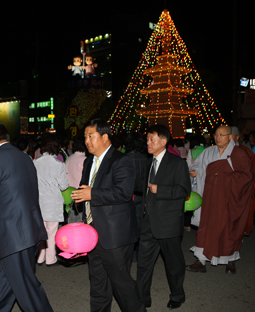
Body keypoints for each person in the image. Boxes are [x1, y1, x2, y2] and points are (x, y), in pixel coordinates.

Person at [0, 122, 53, 312]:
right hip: (31, 229)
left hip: (14, 234)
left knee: (26, 286)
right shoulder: (25, 157)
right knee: (7, 278)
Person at [71, 118, 145, 312]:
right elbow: (85, 187)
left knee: (121, 284)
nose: (87, 140)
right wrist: (79, 197)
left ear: (105, 137)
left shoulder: (121, 160)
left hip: (114, 233)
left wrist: (91, 193)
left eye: (91, 136)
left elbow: (123, 192)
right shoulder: (88, 162)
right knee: (97, 282)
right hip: (92, 232)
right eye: (85, 136)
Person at [136, 124, 190, 310]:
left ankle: (177, 295)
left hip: (168, 222)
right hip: (148, 221)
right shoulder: (148, 162)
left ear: (164, 141)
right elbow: (144, 188)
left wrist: (161, 190)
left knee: (173, 264)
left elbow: (184, 190)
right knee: (143, 264)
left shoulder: (177, 163)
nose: (148, 142)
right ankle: (143, 297)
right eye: (147, 139)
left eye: (152, 139)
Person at [186, 125, 253, 274]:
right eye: (216, 134)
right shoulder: (208, 151)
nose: (218, 137)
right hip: (210, 197)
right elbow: (199, 165)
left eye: (222, 135)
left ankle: (230, 261)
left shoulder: (239, 154)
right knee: (206, 228)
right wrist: (196, 171)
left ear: (230, 137)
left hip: (229, 200)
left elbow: (247, 176)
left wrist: (224, 176)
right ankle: (201, 260)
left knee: (229, 229)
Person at [34, 133, 69, 267]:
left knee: (41, 230)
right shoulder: (59, 164)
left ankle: (40, 257)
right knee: (52, 231)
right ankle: (50, 258)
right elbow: (64, 185)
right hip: (53, 201)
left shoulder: (35, 162)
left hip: (39, 201)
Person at [231, 127, 255, 236]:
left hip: (242, 188)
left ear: (236, 137)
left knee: (241, 213)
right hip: (226, 189)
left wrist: (246, 179)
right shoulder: (216, 150)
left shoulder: (244, 150)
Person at [124, 132, 147, 261]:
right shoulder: (146, 159)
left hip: (127, 197)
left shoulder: (123, 158)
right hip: (143, 196)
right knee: (141, 226)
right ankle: (140, 254)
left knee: (128, 226)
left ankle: (130, 254)